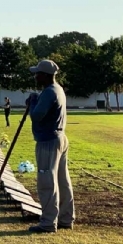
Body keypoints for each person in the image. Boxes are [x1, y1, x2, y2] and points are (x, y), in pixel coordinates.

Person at [25, 59, 75, 233]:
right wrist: (36, 99)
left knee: (47, 181)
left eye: (37, 73)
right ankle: (66, 219)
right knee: (63, 181)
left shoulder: (48, 92)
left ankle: (47, 223)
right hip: (60, 138)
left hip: (48, 142)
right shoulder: (57, 89)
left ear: (45, 76)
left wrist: (32, 102)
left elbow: (37, 115)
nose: (35, 76)